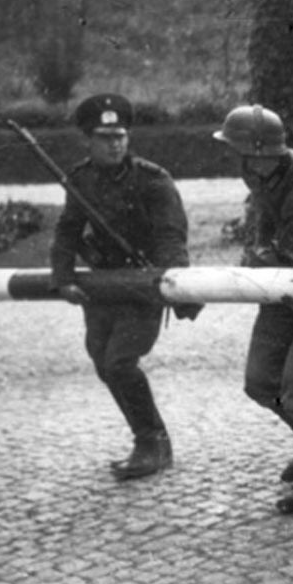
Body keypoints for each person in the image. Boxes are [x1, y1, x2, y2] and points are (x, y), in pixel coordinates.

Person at [50, 92, 200, 480]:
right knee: (102, 361)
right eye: (104, 136)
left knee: (120, 362)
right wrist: (63, 278)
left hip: (142, 287)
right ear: (89, 139)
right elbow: (66, 232)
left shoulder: (153, 180)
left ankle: (153, 442)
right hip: (102, 289)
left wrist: (174, 286)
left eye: (120, 135)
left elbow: (172, 237)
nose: (115, 143)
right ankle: (146, 438)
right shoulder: (80, 180)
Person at [213, 104, 293, 513]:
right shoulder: (259, 178)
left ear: (258, 151)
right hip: (280, 293)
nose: (235, 160)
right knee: (260, 383)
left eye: (238, 151)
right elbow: (261, 231)